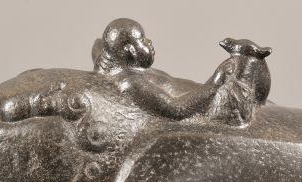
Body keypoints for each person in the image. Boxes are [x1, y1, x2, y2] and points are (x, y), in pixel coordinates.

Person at [93, 18, 230, 120]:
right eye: (142, 39)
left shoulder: (113, 61)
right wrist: (215, 82)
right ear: (131, 50)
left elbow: (98, 44)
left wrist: (105, 53)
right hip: (209, 105)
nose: (149, 42)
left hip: (209, 95)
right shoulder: (131, 83)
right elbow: (177, 109)